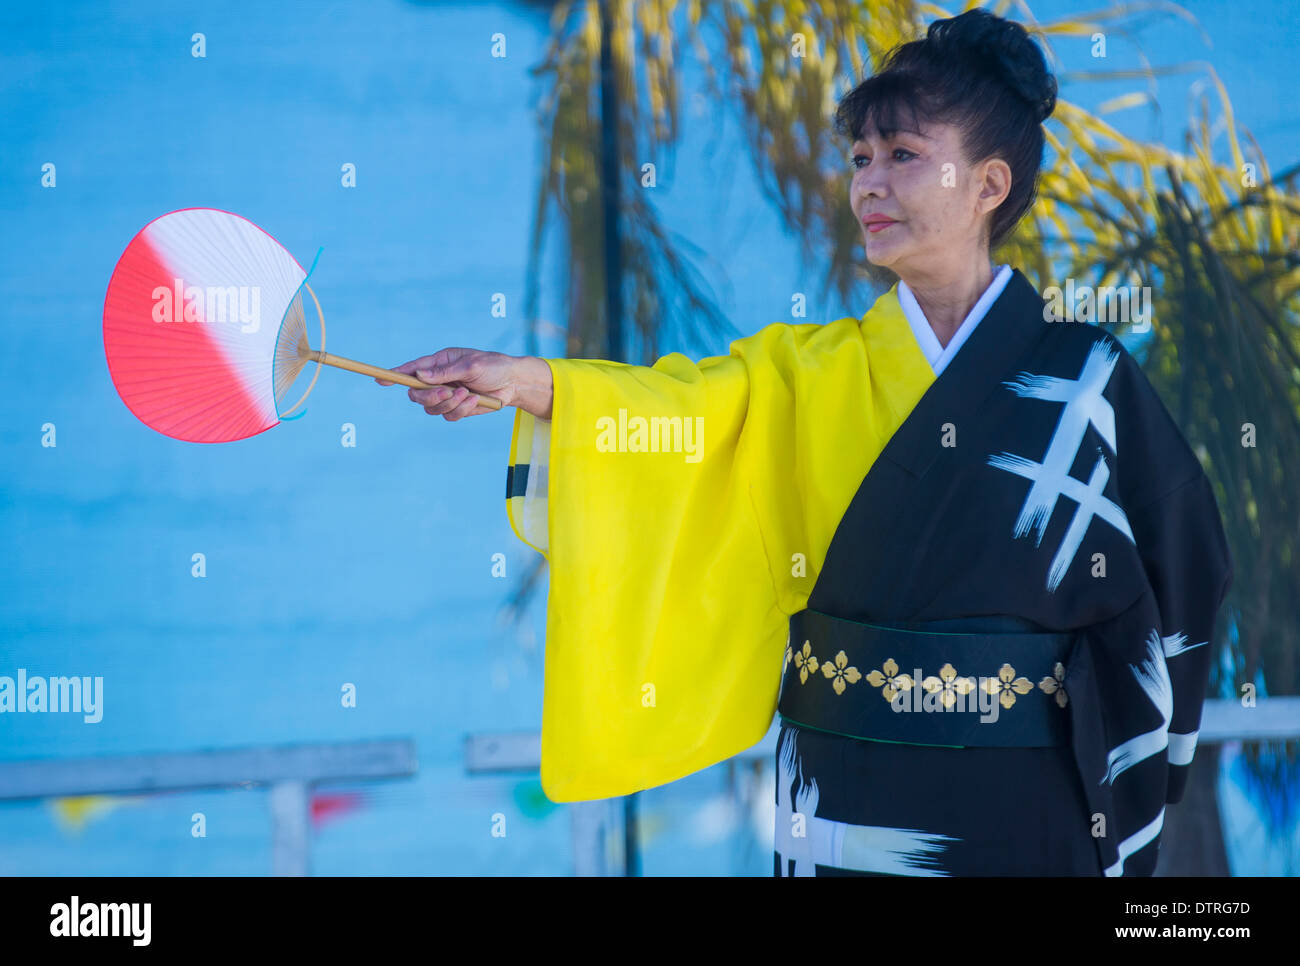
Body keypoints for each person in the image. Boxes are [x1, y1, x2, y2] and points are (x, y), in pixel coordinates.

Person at [378, 8, 1232, 876]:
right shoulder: (806, 375)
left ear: (989, 184)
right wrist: (533, 383)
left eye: (903, 155)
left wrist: (1123, 758)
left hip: (1029, 800)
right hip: (840, 799)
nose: (868, 183)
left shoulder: (1086, 381)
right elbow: (676, 415)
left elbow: (1184, 570)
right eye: (860, 158)